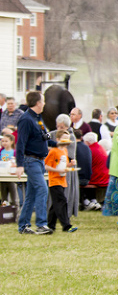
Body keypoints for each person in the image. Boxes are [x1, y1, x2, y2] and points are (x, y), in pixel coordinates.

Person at [15, 91, 54, 234]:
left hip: (39, 161)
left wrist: (58, 144)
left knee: (31, 195)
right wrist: (20, 165)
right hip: (30, 161)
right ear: (38, 103)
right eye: (43, 101)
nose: (44, 103)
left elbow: (43, 137)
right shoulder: (26, 120)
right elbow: (21, 143)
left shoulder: (37, 118)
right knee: (43, 189)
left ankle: (23, 225)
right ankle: (41, 224)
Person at [44, 130, 78, 233]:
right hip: (54, 181)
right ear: (58, 140)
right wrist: (58, 170)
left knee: (55, 204)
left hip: (62, 180)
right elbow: (46, 166)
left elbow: (63, 165)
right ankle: (66, 225)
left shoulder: (65, 151)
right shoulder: (54, 151)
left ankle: (51, 225)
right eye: (64, 139)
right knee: (62, 201)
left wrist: (70, 165)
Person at [83, 132, 108, 209]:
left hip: (98, 177)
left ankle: (86, 201)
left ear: (87, 142)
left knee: (83, 180)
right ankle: (92, 200)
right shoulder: (100, 148)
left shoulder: (89, 150)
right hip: (105, 175)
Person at [73, 130, 92, 210]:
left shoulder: (73, 147)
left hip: (79, 178)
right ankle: (85, 201)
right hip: (88, 177)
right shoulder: (86, 147)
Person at [0, 134, 18, 206]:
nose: (4, 143)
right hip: (3, 176)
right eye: (3, 141)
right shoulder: (1, 151)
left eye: (6, 141)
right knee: (4, 197)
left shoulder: (14, 152)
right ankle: (4, 213)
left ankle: (15, 210)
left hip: (11, 176)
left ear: (11, 142)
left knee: (13, 196)